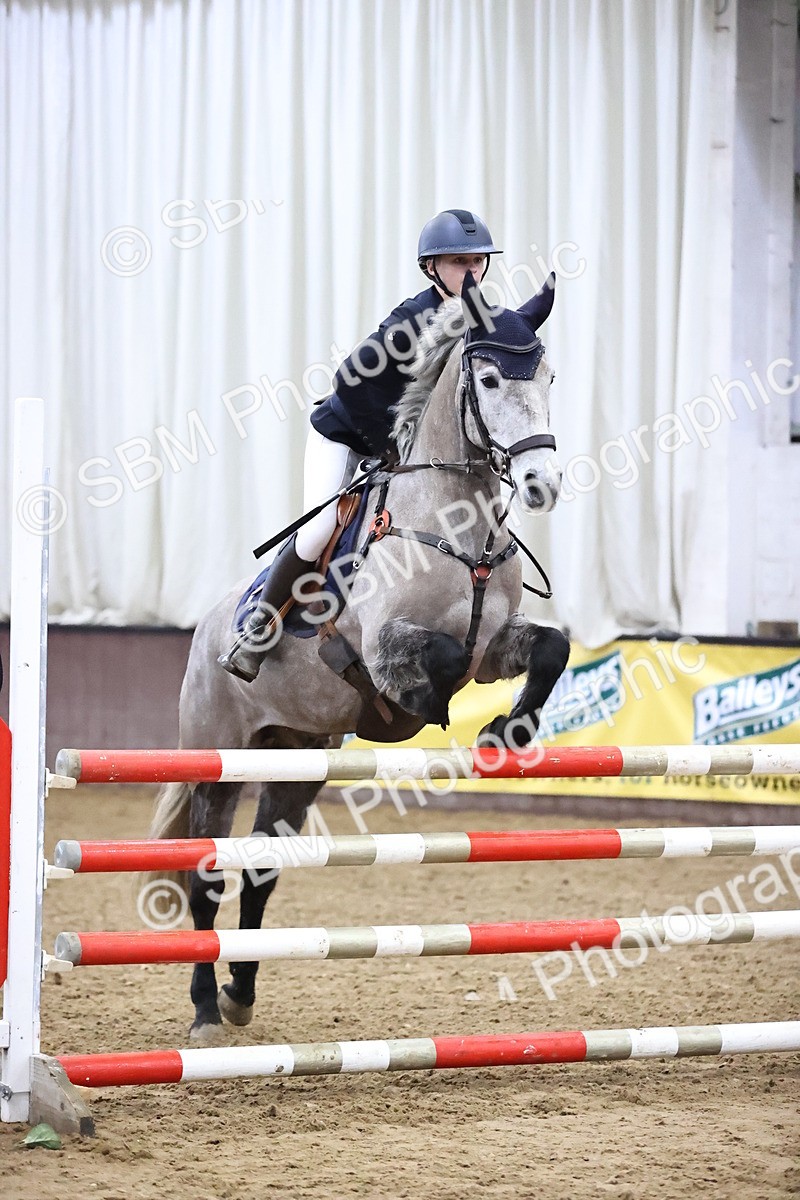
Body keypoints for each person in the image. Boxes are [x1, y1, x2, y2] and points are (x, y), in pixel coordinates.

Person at [219, 208, 502, 682]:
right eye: (458, 262)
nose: (471, 272)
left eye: (478, 261)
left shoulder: (482, 323)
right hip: (348, 435)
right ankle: (258, 628)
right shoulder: (410, 320)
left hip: (407, 453)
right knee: (320, 528)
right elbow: (349, 380)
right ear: (431, 267)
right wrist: (389, 447)